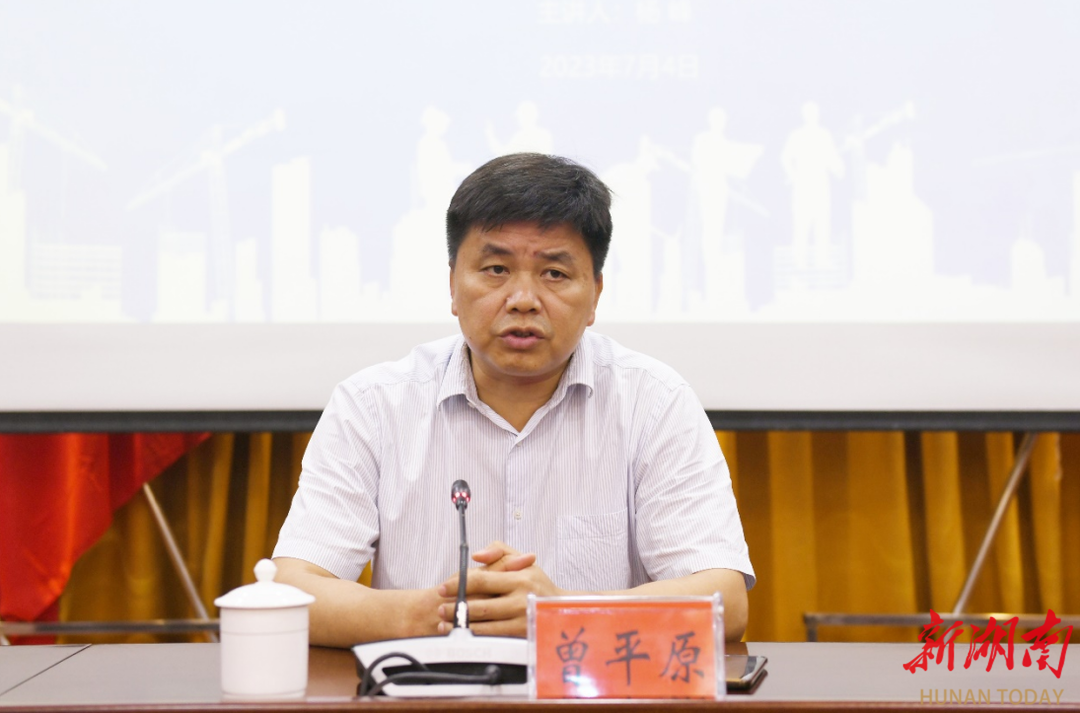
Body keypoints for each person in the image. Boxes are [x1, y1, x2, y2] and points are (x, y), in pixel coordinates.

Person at [272, 153, 755, 647]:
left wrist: (561, 613)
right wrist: (447, 612)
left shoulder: (653, 404)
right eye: (496, 269)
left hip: (586, 690)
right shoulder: (373, 406)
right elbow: (293, 589)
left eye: (554, 274)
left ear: (595, 294)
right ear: (453, 285)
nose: (523, 299)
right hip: (427, 689)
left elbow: (724, 599)